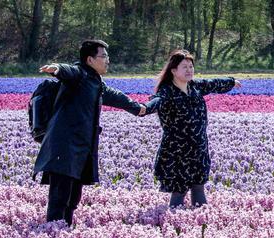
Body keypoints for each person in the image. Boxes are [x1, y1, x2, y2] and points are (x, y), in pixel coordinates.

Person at [35, 39, 148, 226]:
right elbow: (69, 71)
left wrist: (137, 108)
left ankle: (64, 230)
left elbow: (115, 96)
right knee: (59, 197)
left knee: (73, 199)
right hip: (64, 148)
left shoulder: (95, 82)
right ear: (89, 59)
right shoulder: (79, 75)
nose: (107, 60)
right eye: (103, 56)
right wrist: (57, 68)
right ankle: (53, 231)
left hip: (81, 148)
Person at [144, 49, 241, 208]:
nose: (189, 70)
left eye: (191, 66)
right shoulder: (166, 92)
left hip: (199, 148)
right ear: (174, 71)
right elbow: (155, 102)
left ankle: (199, 226)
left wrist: (231, 82)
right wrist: (143, 108)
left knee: (199, 189)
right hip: (177, 151)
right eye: (185, 67)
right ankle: (173, 228)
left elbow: (213, 84)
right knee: (178, 193)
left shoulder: (195, 87)